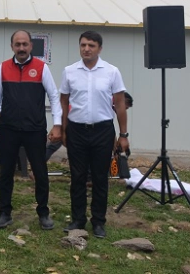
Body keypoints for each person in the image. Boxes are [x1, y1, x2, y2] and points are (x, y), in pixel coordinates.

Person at [0, 29, 62, 230]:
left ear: (31, 46)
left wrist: (57, 124)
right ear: (12, 46)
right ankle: (4, 212)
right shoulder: (4, 67)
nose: (21, 48)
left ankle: (43, 213)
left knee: (40, 172)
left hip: (34, 130)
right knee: (6, 172)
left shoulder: (41, 68)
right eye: (17, 44)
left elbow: (54, 96)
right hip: (8, 129)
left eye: (25, 44)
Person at [59, 30, 129, 238]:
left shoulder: (111, 72)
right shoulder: (69, 71)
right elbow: (63, 102)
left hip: (102, 131)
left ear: (99, 48)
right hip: (76, 130)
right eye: (83, 45)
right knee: (77, 177)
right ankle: (78, 219)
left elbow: (120, 104)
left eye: (91, 45)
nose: (86, 49)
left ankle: (98, 222)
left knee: (100, 178)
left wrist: (123, 134)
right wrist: (63, 129)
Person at [45, 92, 134, 162]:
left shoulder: (107, 101)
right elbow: (109, 130)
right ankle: (39, 165)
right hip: (72, 119)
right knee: (55, 144)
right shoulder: (106, 101)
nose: (122, 111)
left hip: (74, 119)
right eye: (125, 108)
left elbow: (109, 128)